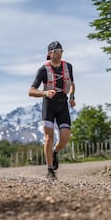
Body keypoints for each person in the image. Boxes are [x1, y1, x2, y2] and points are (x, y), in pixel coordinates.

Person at [28, 41, 75, 180]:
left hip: (63, 104)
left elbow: (71, 84)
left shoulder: (68, 67)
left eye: (61, 51)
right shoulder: (43, 70)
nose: (59, 54)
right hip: (48, 104)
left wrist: (72, 96)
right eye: (56, 51)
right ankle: (50, 170)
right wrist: (44, 93)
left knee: (65, 139)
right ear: (49, 54)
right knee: (49, 138)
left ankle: (55, 152)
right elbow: (30, 91)